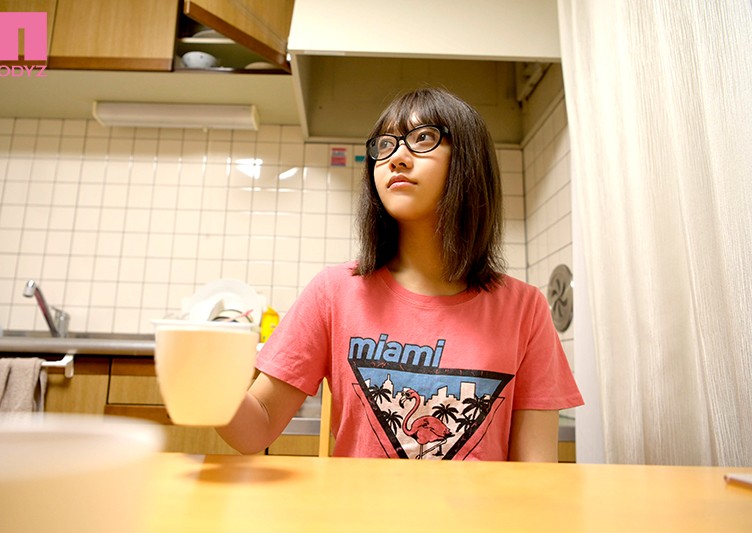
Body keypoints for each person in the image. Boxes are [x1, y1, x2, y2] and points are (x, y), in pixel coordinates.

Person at [217, 87, 584, 461]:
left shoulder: (525, 309)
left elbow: (536, 468)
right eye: (385, 144)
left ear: (469, 160)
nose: (396, 157)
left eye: (422, 138)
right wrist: (202, 372)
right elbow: (257, 426)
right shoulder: (333, 293)